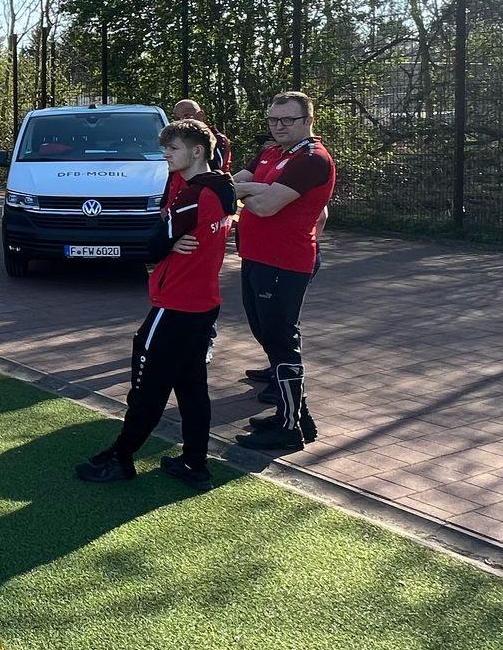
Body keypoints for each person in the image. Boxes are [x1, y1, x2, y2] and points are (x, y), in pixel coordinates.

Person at [76, 119, 236, 488]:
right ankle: (195, 463)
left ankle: (121, 457)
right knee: (192, 386)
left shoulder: (196, 193)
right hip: (203, 303)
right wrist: (169, 240)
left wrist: (165, 243)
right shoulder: (219, 184)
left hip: (177, 305)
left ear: (197, 152)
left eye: (173, 148)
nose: (166, 154)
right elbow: (167, 228)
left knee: (148, 388)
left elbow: (151, 244)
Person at [231, 91, 337, 453]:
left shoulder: (312, 159)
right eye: (274, 120)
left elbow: (265, 207)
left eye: (288, 120)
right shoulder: (271, 151)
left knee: (281, 339)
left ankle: (290, 426)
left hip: (284, 263)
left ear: (308, 120)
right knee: (268, 334)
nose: (279, 127)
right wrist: (251, 189)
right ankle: (295, 416)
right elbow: (236, 184)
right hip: (256, 258)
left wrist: (246, 191)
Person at [172, 99, 234, 175]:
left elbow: (214, 168)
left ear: (200, 115)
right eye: (177, 119)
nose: (182, 122)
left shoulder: (217, 139)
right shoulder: (175, 142)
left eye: (186, 116)